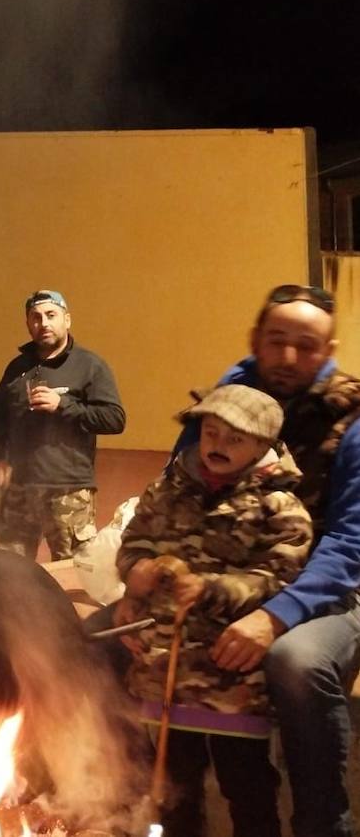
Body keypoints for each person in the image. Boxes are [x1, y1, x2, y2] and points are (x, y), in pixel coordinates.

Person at [167, 284, 360, 837]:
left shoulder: (350, 420)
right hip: (219, 579)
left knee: (296, 662)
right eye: (277, 341)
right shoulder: (218, 406)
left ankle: (324, 822)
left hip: (327, 588)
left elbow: (350, 541)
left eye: (308, 344)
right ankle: (156, 813)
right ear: (256, 339)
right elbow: (174, 492)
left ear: (329, 349)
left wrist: (276, 615)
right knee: (105, 642)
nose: (290, 357)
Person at [116, 384, 311, 837]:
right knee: (174, 782)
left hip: (233, 678)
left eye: (235, 438)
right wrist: (136, 569)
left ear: (264, 445)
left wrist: (208, 588)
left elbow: (278, 577)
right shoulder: (168, 489)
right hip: (166, 669)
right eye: (211, 432)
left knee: (246, 785)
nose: (217, 445)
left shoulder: (279, 506)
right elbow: (136, 538)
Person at [0, 289, 126, 560]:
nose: (44, 324)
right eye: (36, 318)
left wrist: (63, 405)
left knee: (74, 572)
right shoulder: (17, 367)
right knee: (7, 570)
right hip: (20, 488)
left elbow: (115, 419)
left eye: (51, 316)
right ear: (29, 325)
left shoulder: (90, 366)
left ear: (67, 320)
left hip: (69, 488)